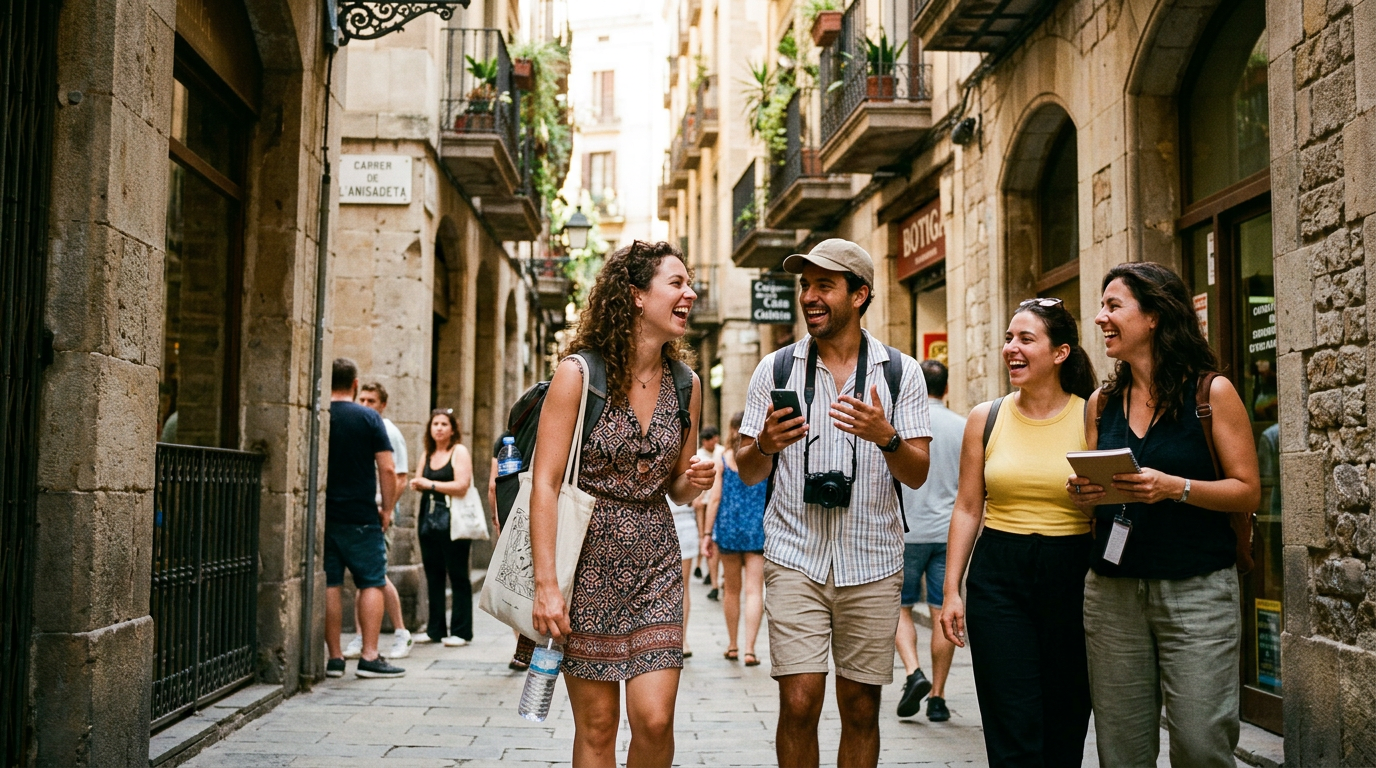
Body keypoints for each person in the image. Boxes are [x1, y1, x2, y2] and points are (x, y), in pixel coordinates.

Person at [736, 239, 932, 768]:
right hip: (794, 555)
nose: (809, 297)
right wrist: (764, 445)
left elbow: (917, 474)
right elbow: (748, 470)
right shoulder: (774, 371)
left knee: (861, 707)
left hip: (872, 560)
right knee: (798, 700)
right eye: (805, 285)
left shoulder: (899, 372)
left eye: (825, 285)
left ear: (860, 294)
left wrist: (887, 437)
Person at [529, 240, 716, 768]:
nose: (690, 293)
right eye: (676, 283)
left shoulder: (687, 385)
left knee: (655, 721)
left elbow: (675, 486)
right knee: (598, 726)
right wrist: (546, 585)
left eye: (689, 283)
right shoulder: (579, 376)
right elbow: (544, 483)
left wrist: (692, 481)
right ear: (636, 295)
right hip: (585, 566)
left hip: (656, 559)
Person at [1068, 262, 1261, 767]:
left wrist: (1176, 487)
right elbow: (1102, 497)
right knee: (1122, 751)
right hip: (1112, 594)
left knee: (1201, 744)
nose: (1100, 318)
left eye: (1113, 306)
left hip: (1198, 590)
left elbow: (1248, 491)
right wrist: (1087, 493)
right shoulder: (1101, 402)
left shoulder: (1210, 393)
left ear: (1154, 316)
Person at [939, 298, 1097, 766]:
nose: (1012, 347)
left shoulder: (1092, 415)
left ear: (1060, 352)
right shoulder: (985, 418)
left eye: (1026, 339)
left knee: (1065, 724)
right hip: (998, 579)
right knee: (1012, 726)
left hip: (1074, 576)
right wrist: (952, 590)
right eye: (1009, 338)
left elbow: (1112, 500)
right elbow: (968, 507)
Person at [323, 358, 405, 679]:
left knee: (330, 583)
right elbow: (387, 468)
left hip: (326, 513)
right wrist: (386, 508)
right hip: (360, 513)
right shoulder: (370, 418)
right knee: (371, 579)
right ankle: (370, 655)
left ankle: (334, 658)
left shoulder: (319, 414)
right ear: (355, 385)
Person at [893, 359, 963, 722]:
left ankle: (912, 671)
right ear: (947, 388)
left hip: (907, 532)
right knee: (942, 610)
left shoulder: (900, 427)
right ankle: (937, 695)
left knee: (900, 607)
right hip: (948, 533)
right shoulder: (964, 426)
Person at [343, 381, 413, 660]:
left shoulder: (390, 432)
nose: (365, 405)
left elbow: (400, 476)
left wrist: (387, 511)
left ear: (382, 405)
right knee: (365, 577)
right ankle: (362, 638)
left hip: (380, 513)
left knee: (376, 576)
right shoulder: (363, 428)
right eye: (362, 399)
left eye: (371, 401)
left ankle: (401, 632)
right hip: (363, 510)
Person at [702, 411, 766, 666]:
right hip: (757, 529)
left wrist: (707, 533)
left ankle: (732, 645)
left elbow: (715, 498)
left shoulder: (724, 459)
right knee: (753, 591)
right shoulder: (763, 457)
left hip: (728, 528)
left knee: (731, 590)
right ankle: (750, 649)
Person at [410, 408, 476, 647]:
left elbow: (462, 485)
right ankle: (435, 629)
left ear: (452, 429)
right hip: (428, 519)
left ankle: (461, 630)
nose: (438, 428)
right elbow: (418, 481)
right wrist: (421, 484)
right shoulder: (428, 453)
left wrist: (430, 484)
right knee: (433, 574)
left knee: (458, 575)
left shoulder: (459, 451)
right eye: (435, 424)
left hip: (453, 519)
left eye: (443, 424)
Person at [694, 425, 724, 596]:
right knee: (705, 537)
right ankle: (711, 578)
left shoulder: (721, 452)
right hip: (704, 502)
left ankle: (715, 577)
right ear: (706, 441)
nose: (715, 441)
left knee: (713, 539)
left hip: (718, 502)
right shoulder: (699, 455)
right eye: (712, 439)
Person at [669, 494, 698, 658]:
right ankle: (681, 639)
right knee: (683, 586)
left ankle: (681, 637)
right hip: (681, 519)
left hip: (681, 521)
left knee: (682, 586)